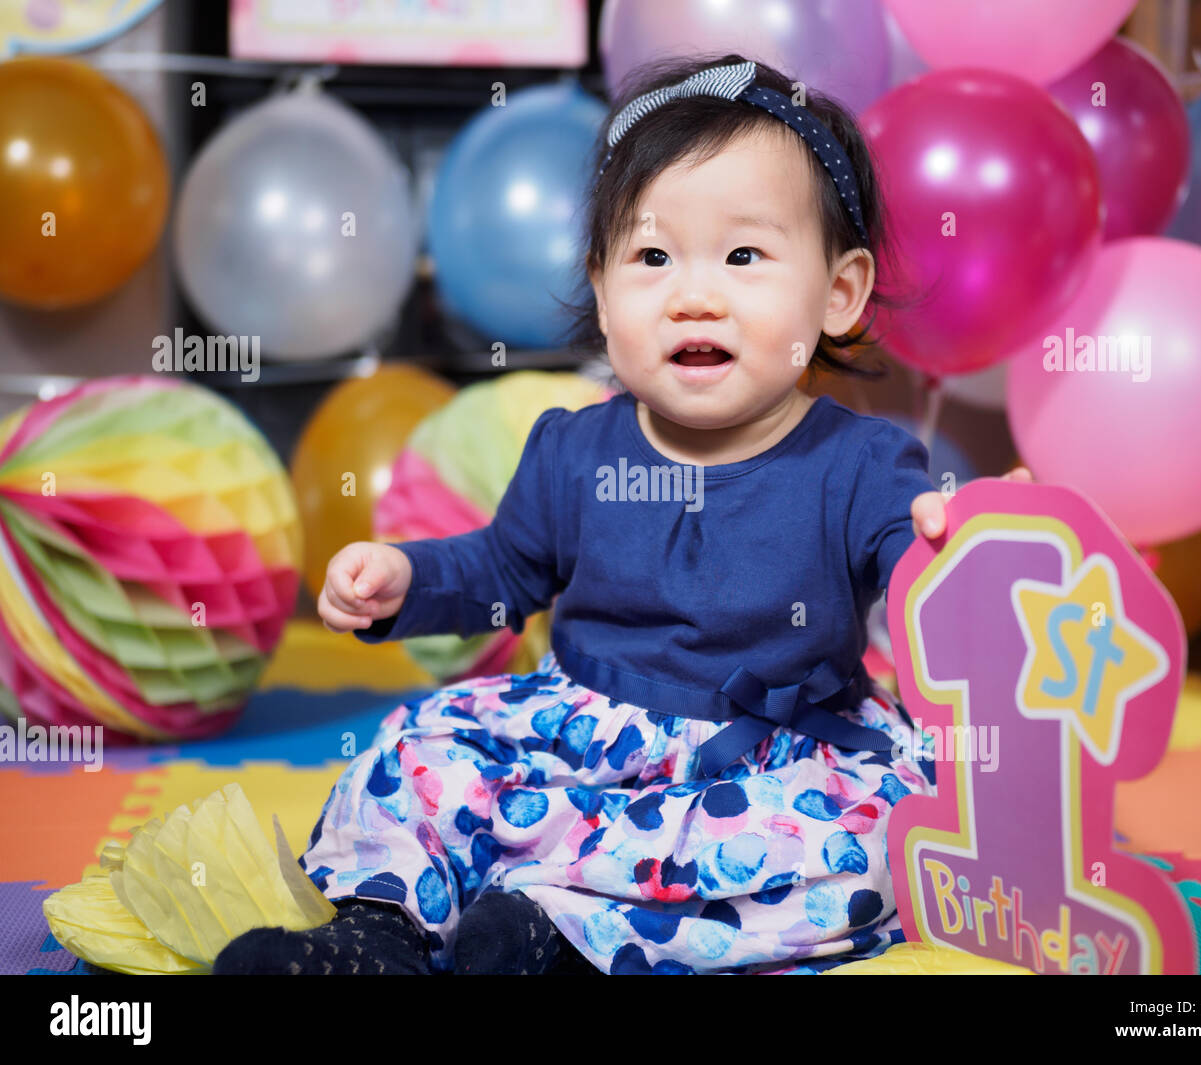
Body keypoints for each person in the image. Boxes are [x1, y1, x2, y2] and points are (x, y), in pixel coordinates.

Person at [214, 53, 1030, 976]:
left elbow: (914, 565)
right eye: (652, 257)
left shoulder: (861, 462)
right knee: (414, 753)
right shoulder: (574, 448)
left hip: (765, 769)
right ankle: (380, 929)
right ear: (604, 295)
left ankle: (562, 938)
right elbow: (503, 571)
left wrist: (964, 547)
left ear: (838, 295)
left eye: (744, 256)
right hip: (576, 740)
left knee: (878, 839)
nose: (694, 295)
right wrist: (409, 577)